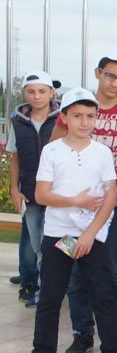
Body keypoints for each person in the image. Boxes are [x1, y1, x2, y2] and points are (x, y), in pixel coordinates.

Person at [52, 48, 117, 353]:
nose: (114, 83)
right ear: (98, 73)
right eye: (110, 75)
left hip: (115, 204)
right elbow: (53, 146)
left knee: (116, 271)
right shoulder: (79, 106)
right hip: (75, 205)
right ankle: (82, 334)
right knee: (75, 271)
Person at [28, 88, 117, 353]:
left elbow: (110, 195)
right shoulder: (52, 151)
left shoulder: (102, 152)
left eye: (90, 116)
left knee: (103, 295)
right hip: (60, 235)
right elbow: (41, 195)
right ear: (65, 118)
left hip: (91, 236)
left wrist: (90, 234)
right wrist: (76, 201)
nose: (85, 122)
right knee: (50, 296)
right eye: (78, 116)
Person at [8, 70, 59, 307]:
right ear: (24, 93)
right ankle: (32, 283)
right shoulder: (17, 121)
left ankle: (56, 286)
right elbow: (15, 157)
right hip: (29, 192)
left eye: (41, 91)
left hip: (57, 194)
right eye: (31, 91)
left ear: (51, 93)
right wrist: (14, 188)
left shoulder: (62, 119)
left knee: (58, 241)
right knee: (33, 242)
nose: (36, 96)